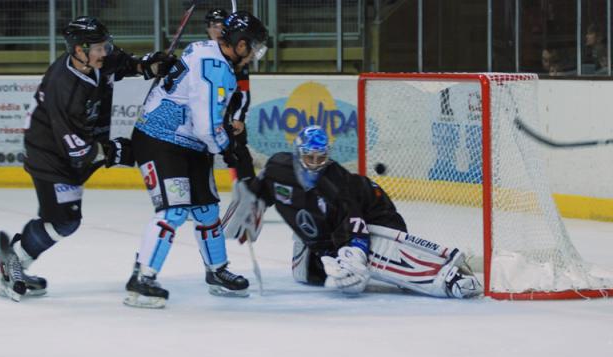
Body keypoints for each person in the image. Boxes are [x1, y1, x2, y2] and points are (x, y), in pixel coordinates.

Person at [0, 16, 176, 302]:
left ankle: (15, 259)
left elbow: (122, 62)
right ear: (78, 50)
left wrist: (147, 65)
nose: (105, 52)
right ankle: (11, 261)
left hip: (72, 150)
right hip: (50, 155)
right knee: (64, 221)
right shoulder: (65, 86)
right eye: (98, 48)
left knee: (64, 219)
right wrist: (112, 152)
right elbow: (74, 147)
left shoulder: (96, 60)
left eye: (105, 45)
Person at [223, 126, 483, 299]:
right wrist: (248, 202)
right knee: (307, 276)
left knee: (374, 256)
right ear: (297, 155)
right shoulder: (278, 169)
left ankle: (447, 275)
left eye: (321, 158)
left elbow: (355, 224)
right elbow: (260, 189)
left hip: (377, 214)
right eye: (309, 158)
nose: (315, 165)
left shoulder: (336, 185)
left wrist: (354, 255)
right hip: (329, 230)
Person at [124, 11, 268, 309]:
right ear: (240, 45)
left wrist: (225, 134)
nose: (255, 54)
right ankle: (142, 279)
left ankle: (217, 271)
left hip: (190, 143)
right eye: (253, 47)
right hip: (159, 141)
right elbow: (207, 126)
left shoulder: (207, 49)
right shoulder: (215, 68)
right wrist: (227, 147)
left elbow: (205, 123)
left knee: (205, 210)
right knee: (174, 211)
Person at [205, 7, 256, 180]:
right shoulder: (202, 53)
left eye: (220, 25)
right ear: (207, 28)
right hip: (207, 118)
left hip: (230, 118)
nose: (216, 29)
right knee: (201, 154)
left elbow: (244, 93)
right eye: (213, 25)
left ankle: (248, 189)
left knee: (240, 153)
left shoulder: (238, 58)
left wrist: (238, 118)